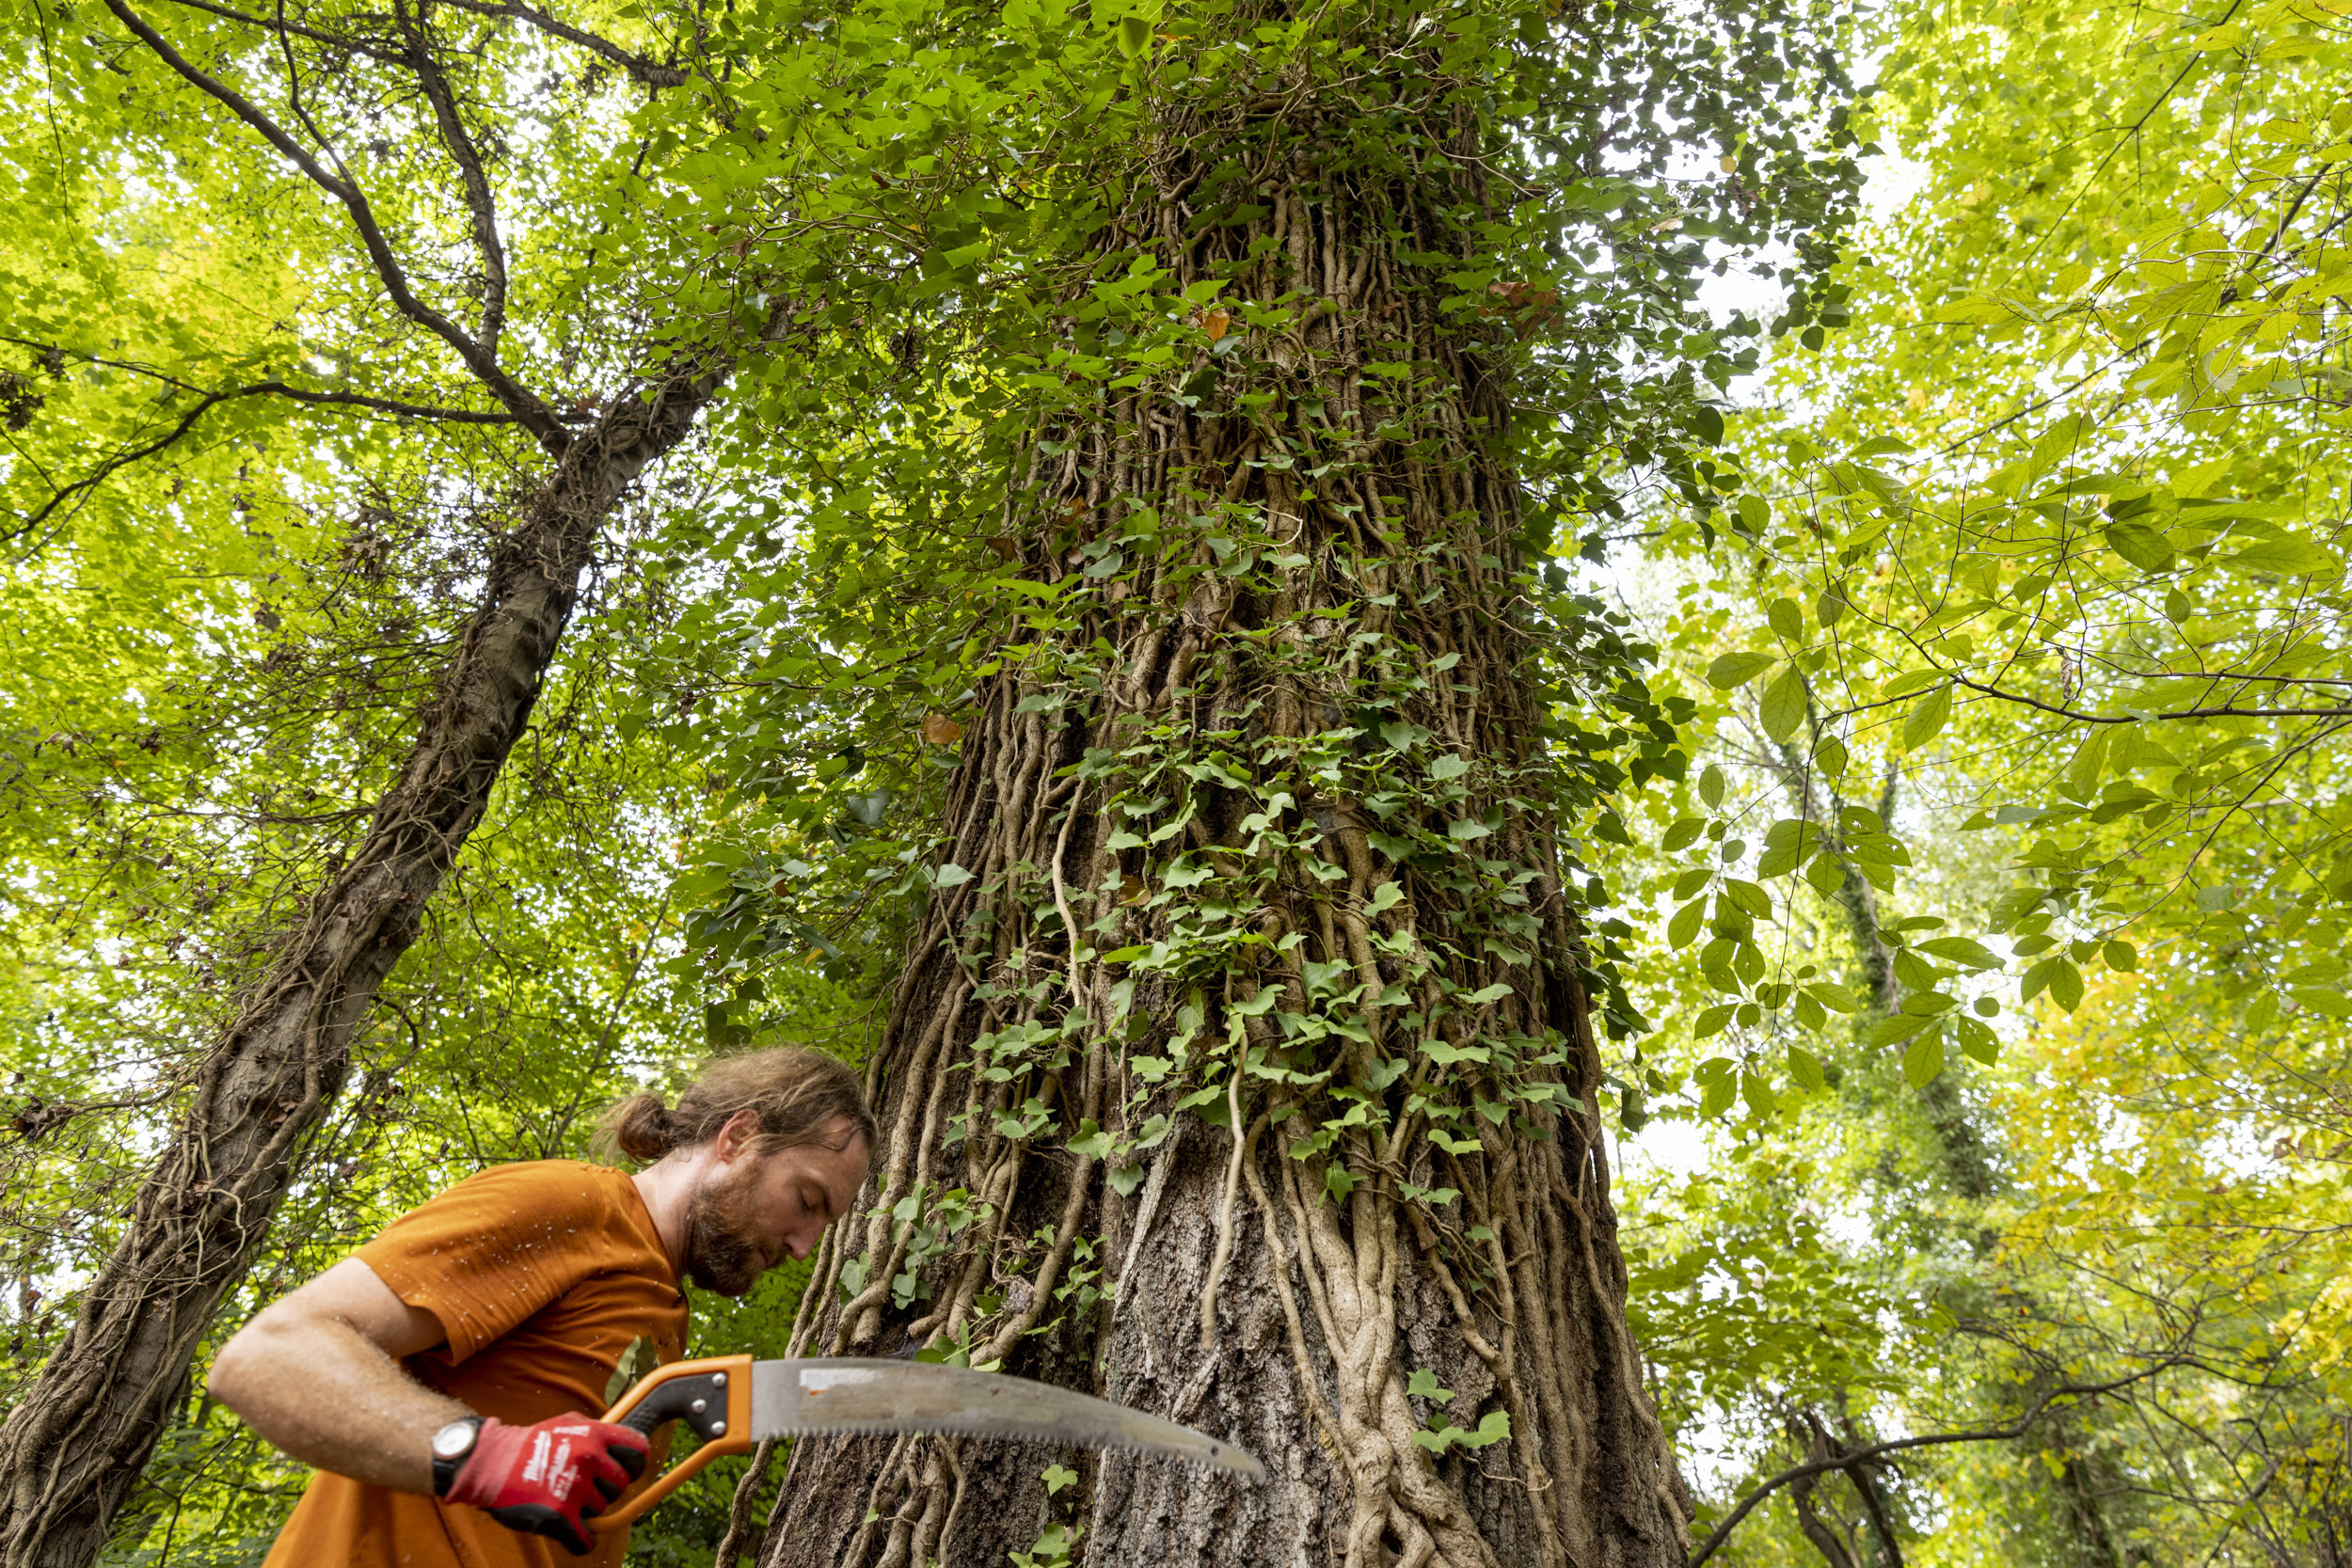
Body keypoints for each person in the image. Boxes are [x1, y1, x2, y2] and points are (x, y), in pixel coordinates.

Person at [207, 1047, 876, 1565]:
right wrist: (485, 1455)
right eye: (808, 1200)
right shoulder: (572, 1205)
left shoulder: (664, 1315)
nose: (803, 1245)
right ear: (738, 1138)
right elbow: (270, 1355)